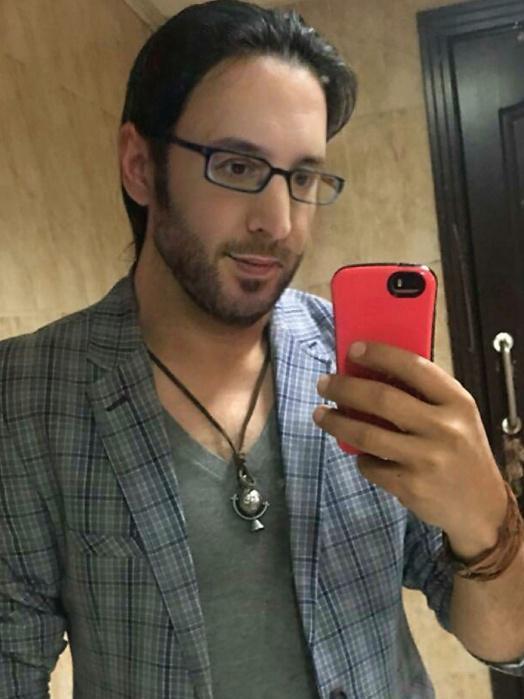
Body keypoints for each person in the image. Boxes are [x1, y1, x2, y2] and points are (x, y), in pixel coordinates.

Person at [1, 1, 523, 697]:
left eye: (302, 178)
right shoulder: (28, 396)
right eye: (238, 165)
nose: (278, 223)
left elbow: (504, 644)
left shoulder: (361, 362)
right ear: (140, 164)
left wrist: (486, 520)